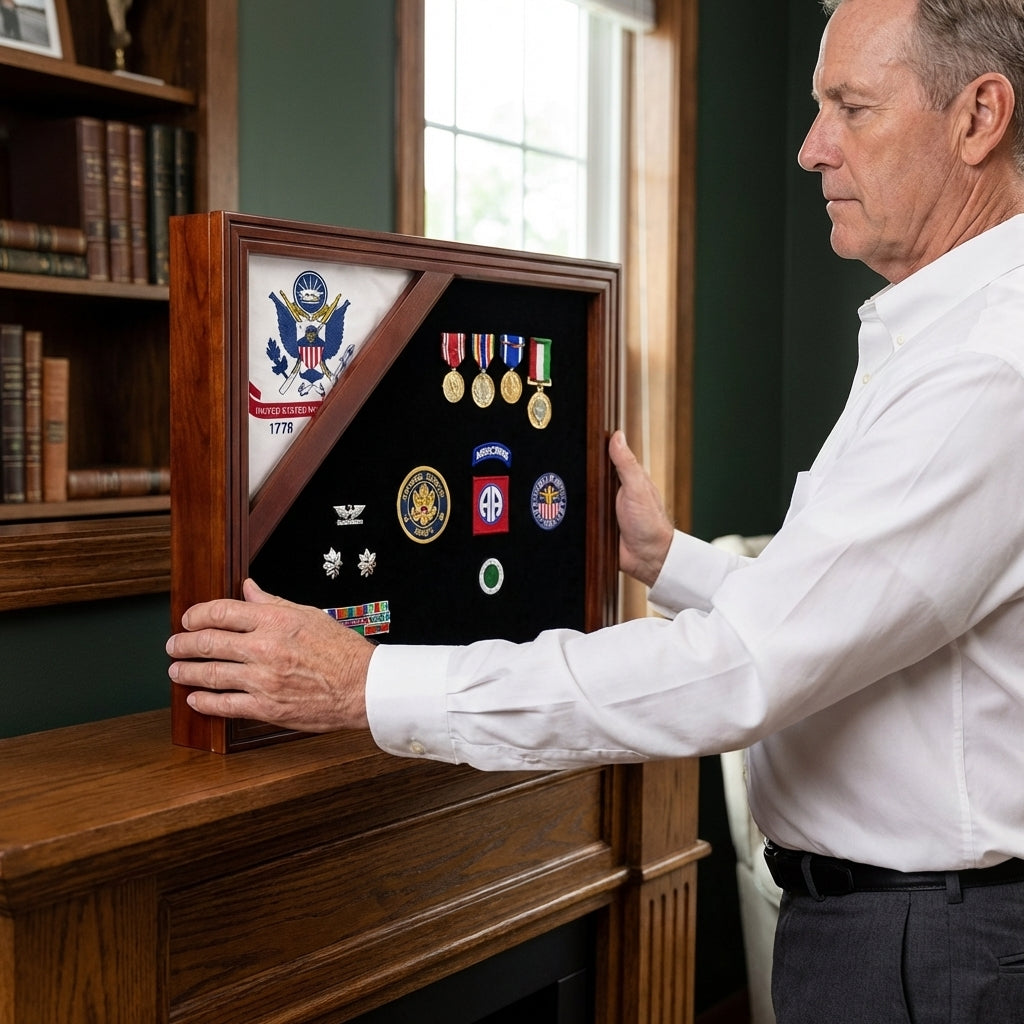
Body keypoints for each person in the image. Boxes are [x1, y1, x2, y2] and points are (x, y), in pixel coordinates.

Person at [166, 0, 1024, 1019]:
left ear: (979, 117)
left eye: (851, 107)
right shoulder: (951, 338)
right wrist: (669, 559)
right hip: (906, 928)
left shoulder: (982, 369)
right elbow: (863, 614)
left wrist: (367, 683)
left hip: (922, 950)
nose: (810, 148)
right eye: (814, 108)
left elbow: (744, 670)